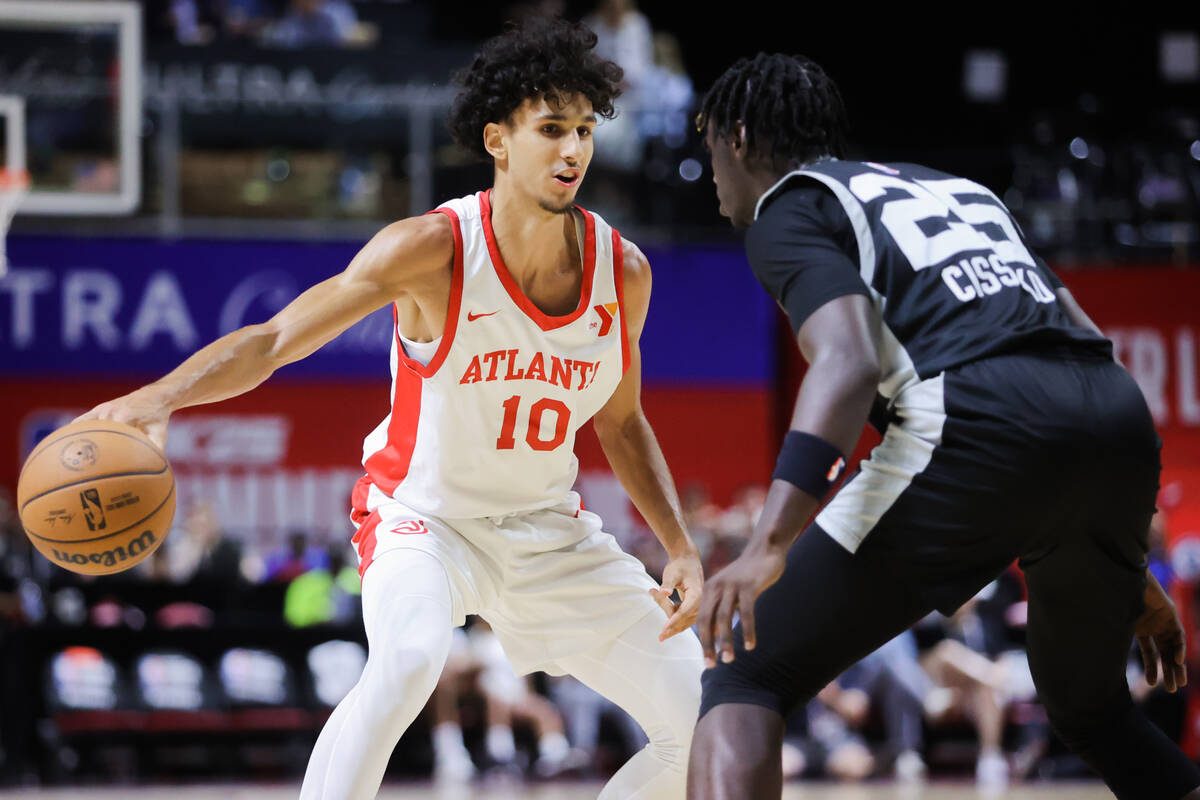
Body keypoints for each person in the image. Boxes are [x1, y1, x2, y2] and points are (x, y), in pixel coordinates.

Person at [78, 18, 704, 800]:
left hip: (546, 529)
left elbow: (621, 420)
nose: (572, 149)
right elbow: (274, 340)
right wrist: (159, 397)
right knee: (409, 662)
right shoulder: (431, 249)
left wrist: (679, 545)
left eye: (583, 130)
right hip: (423, 521)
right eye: (551, 129)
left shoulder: (624, 273)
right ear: (498, 140)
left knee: (705, 724)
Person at [685, 52, 1200, 800]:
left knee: (744, 669)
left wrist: (767, 545)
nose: (712, 175)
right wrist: (1121, 556)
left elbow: (848, 362)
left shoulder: (790, 206)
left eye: (709, 150)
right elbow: (1084, 337)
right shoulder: (959, 188)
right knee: (1092, 709)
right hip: (1113, 414)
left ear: (737, 138)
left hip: (977, 418)